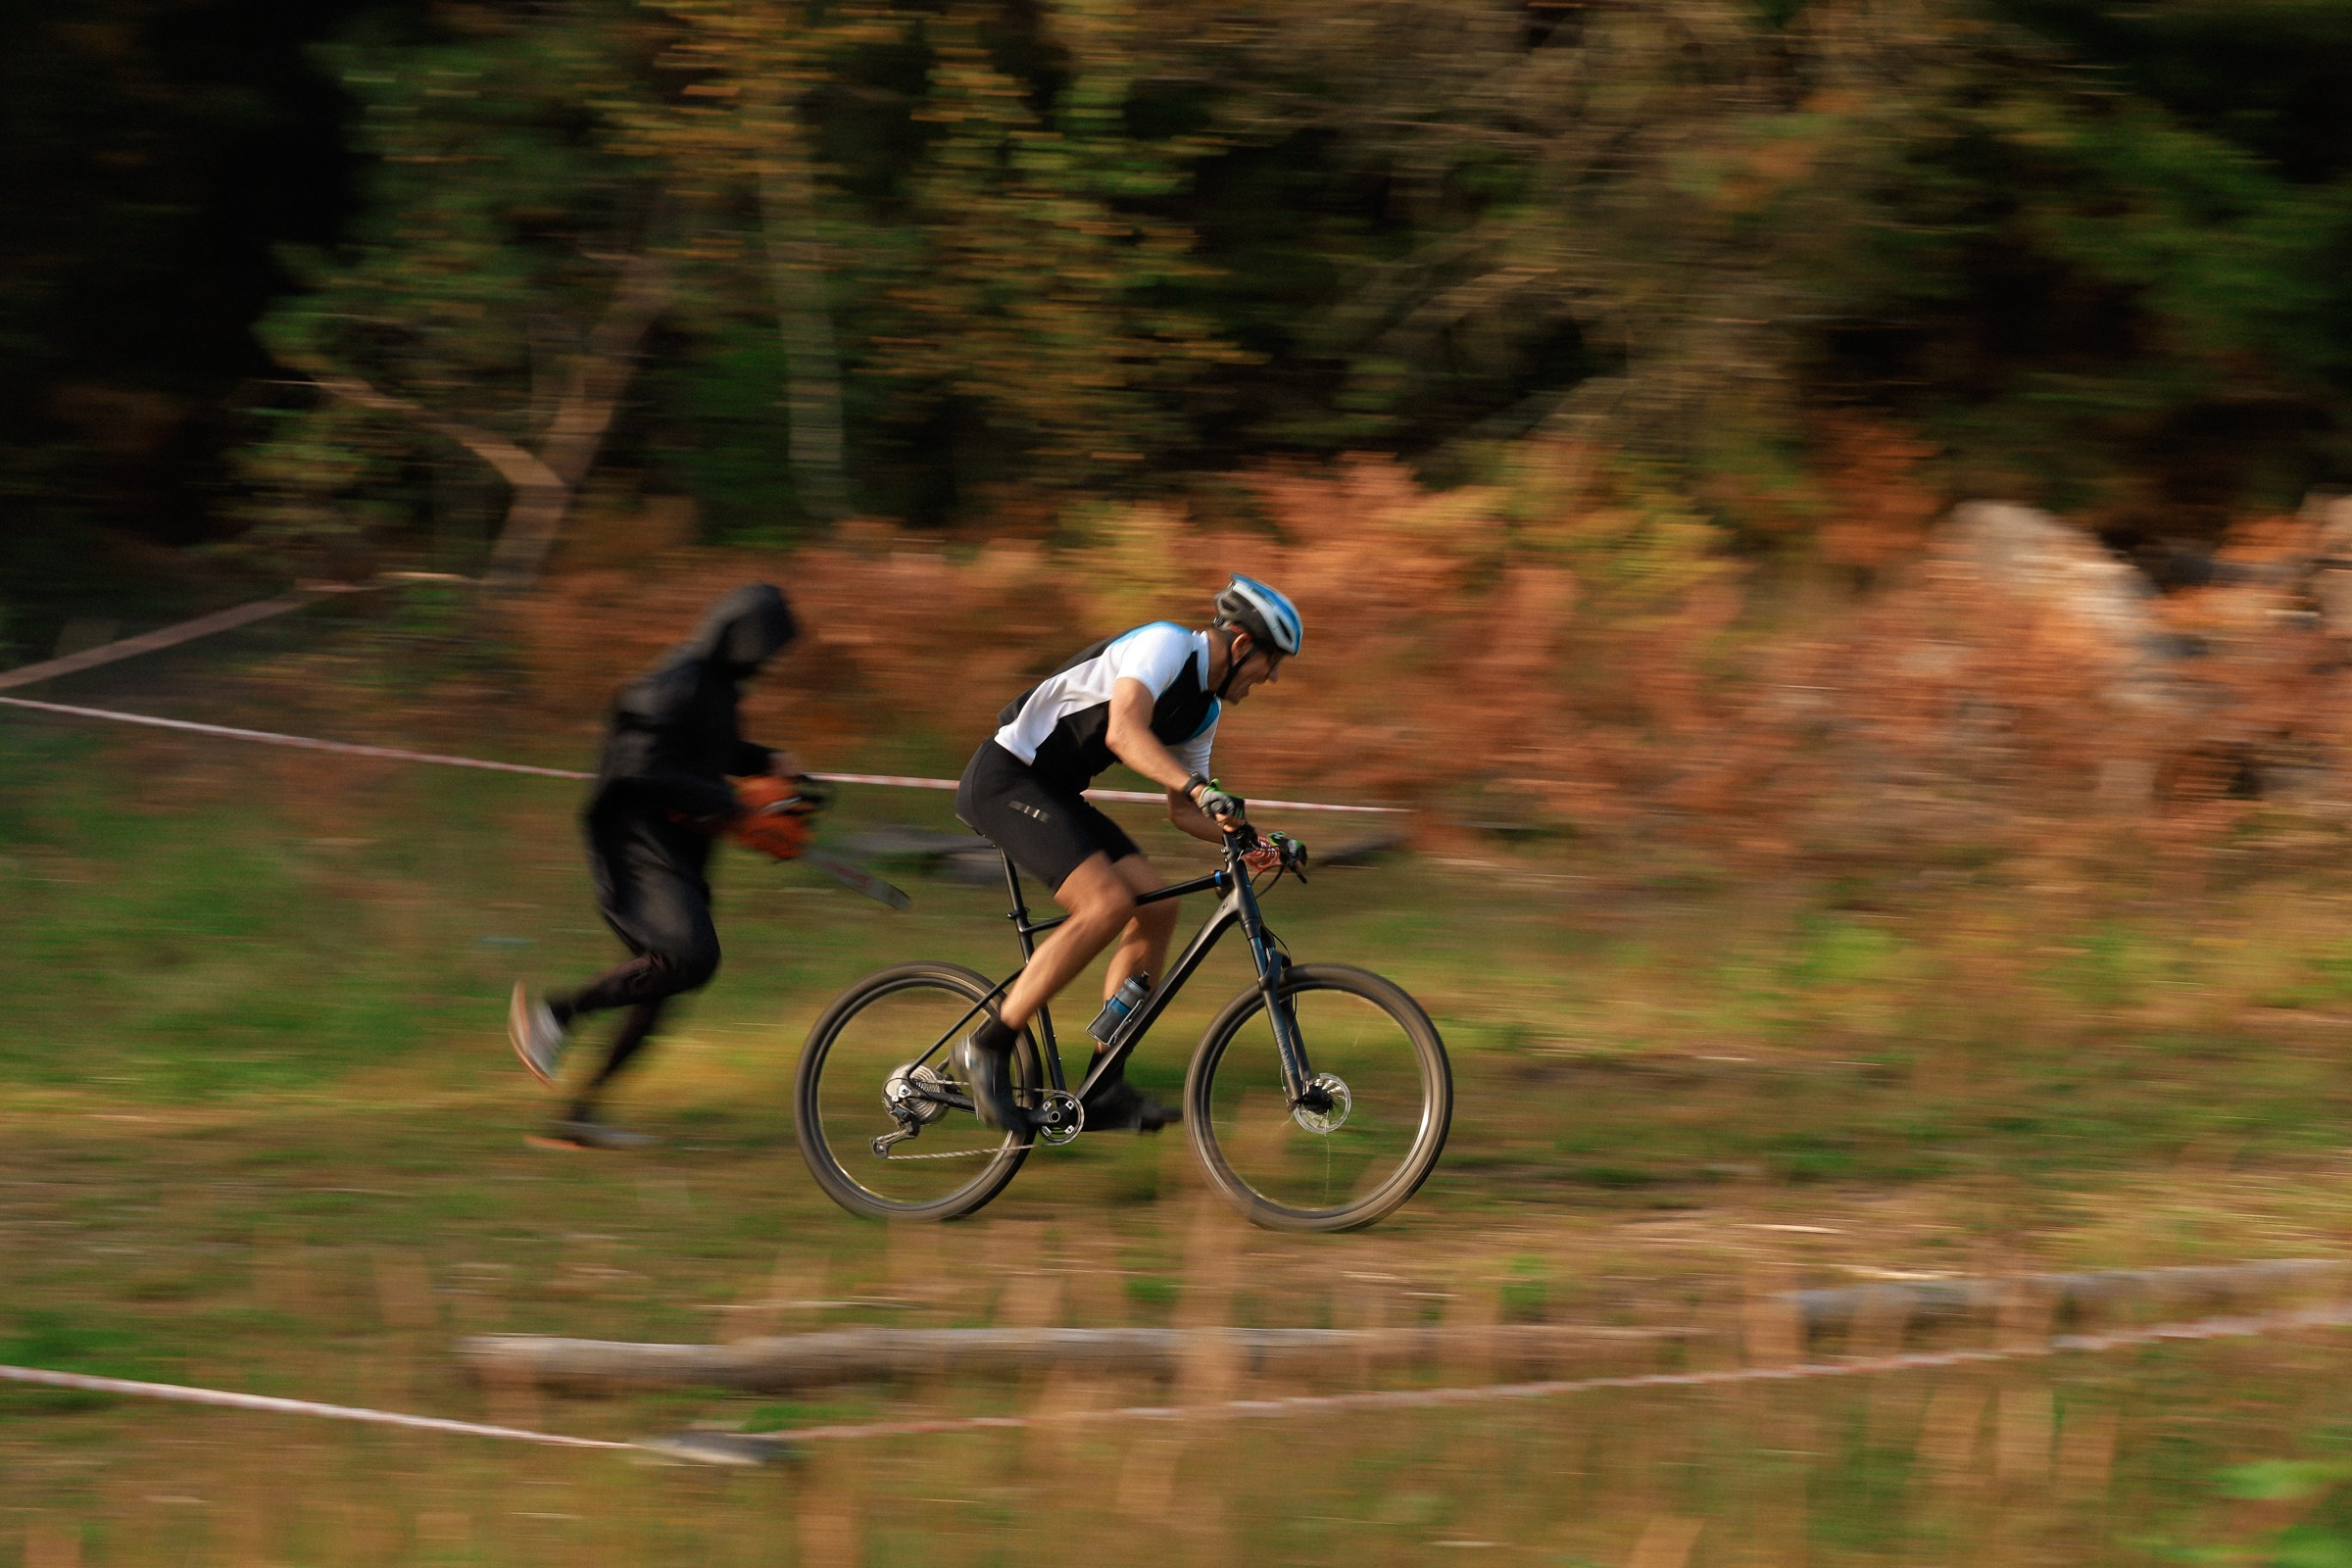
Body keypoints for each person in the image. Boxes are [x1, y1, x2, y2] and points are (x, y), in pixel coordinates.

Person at [952, 574, 1301, 1132]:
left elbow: (1185, 811)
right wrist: (1197, 788)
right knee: (1106, 904)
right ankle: (988, 1047)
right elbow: (1123, 733)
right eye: (1272, 661)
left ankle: (1104, 1082)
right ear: (1241, 646)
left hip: (1056, 795)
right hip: (1006, 778)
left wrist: (1255, 839)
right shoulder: (1164, 645)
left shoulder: (1203, 713)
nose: (1273, 677)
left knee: (1157, 907)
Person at [507, 583, 803, 1151]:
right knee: (690, 958)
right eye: (767, 647)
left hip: (677, 848)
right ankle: (554, 1015)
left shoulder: (716, 688)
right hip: (635, 843)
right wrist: (736, 806)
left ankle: (578, 1116)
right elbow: (641, 764)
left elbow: (707, 752)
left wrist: (767, 761)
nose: (769, 661)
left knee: (664, 982)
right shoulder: (676, 679)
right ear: (740, 636)